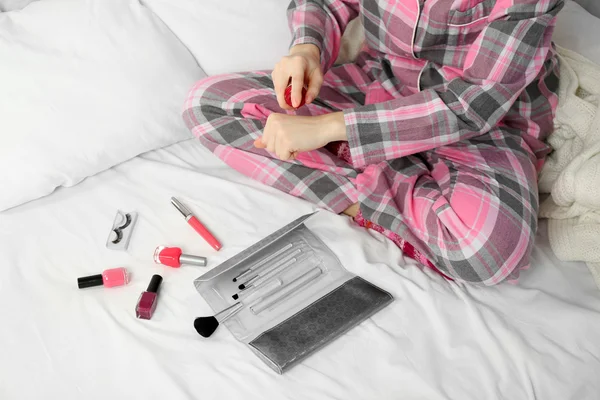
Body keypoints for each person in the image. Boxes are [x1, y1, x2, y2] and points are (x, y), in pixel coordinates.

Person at [182, 0, 564, 285]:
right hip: (380, 83)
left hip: (483, 126)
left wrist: (334, 128)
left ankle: (363, 180)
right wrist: (306, 48)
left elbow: (472, 104)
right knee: (208, 103)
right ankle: (381, 194)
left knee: (489, 254)